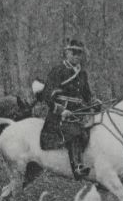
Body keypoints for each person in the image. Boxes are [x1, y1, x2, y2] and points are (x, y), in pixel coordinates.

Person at [33, 38, 95, 179]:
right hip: (59, 116)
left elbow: (87, 95)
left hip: (77, 114)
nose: (77, 56)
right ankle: (77, 167)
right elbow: (47, 95)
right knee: (75, 132)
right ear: (66, 53)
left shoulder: (82, 73)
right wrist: (61, 110)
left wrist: (94, 102)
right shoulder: (58, 71)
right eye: (73, 52)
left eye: (79, 53)